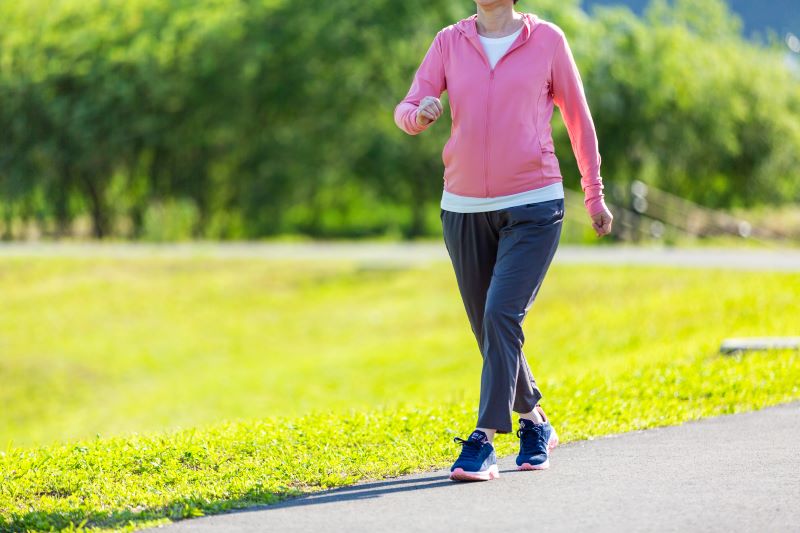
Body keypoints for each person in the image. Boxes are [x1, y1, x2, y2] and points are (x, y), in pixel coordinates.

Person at [393, 0, 613, 481]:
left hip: (535, 204)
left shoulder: (548, 41)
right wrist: (420, 114)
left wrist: (593, 196)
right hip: (463, 208)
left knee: (500, 313)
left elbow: (579, 120)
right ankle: (534, 422)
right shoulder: (449, 41)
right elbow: (405, 108)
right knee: (487, 326)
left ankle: (484, 440)